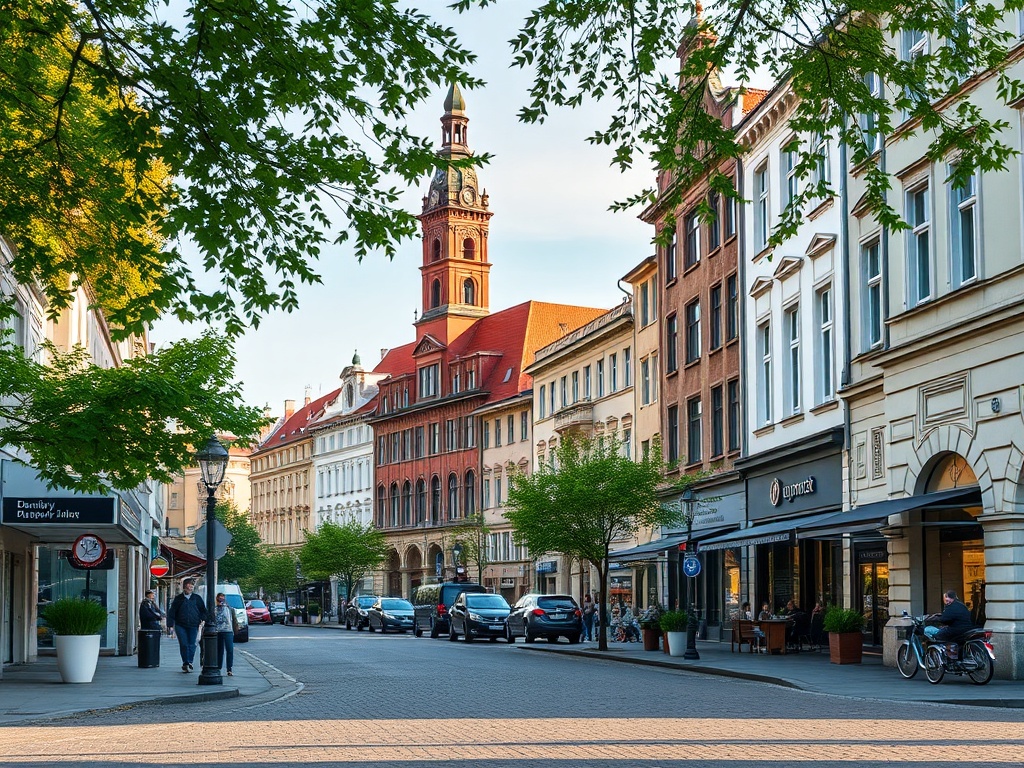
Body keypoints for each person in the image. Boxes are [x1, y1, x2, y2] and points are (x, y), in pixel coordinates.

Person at [166, 578, 207, 673]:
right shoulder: (179, 598)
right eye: (188, 585)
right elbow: (172, 611)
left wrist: (203, 619)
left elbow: (203, 610)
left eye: (192, 585)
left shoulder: (197, 598)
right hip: (180, 625)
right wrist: (170, 625)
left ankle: (189, 661)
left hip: (194, 625)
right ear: (184, 587)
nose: (190, 587)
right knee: (184, 644)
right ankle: (185, 662)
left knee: (192, 644)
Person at [924, 589, 974, 657]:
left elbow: (944, 619)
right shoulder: (962, 605)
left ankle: (939, 654)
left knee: (931, 632)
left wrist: (934, 619)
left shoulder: (951, 607)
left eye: (946, 599)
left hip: (956, 630)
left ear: (948, 597)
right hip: (966, 629)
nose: (946, 602)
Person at [214, 592, 240, 676]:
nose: (221, 599)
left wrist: (235, 629)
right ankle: (219, 667)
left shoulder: (229, 609)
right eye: (220, 597)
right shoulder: (215, 608)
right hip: (218, 631)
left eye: (223, 597)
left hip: (228, 630)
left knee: (229, 649)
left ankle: (229, 669)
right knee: (219, 650)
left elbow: (234, 619)